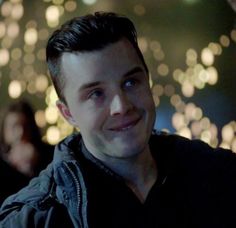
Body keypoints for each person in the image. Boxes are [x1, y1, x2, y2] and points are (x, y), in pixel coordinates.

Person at [0, 12, 236, 228]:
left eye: (131, 82)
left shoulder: (218, 175)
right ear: (68, 113)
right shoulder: (36, 219)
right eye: (96, 94)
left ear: (148, 82)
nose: (121, 106)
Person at [0, 99, 54, 178]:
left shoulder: (51, 155)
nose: (20, 132)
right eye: (14, 126)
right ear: (4, 130)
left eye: (25, 126)